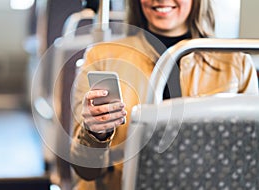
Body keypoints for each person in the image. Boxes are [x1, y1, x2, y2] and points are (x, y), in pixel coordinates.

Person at [69, 0, 259, 189]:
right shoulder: (102, 57)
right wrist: (95, 134)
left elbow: (248, 161)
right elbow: (86, 171)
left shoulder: (236, 64)